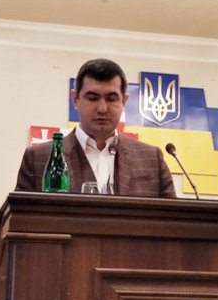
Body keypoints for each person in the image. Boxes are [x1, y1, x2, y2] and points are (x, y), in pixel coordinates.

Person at [16, 58, 176, 197]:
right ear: (75, 100)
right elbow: (20, 218)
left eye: (111, 99)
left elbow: (172, 219)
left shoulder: (151, 159)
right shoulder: (38, 158)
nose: (102, 108)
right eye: (92, 98)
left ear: (124, 102)